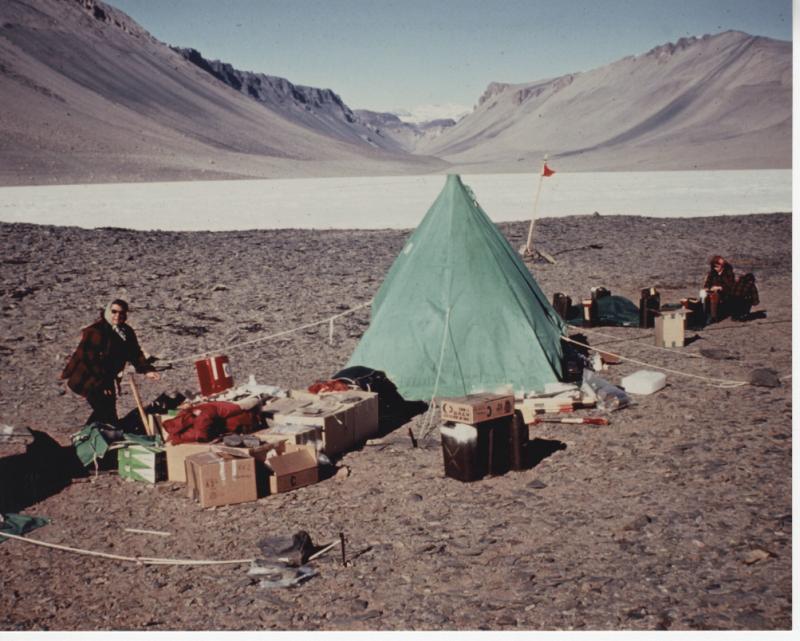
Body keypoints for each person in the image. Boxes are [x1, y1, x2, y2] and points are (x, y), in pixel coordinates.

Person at [61, 299, 160, 426]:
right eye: (114, 312)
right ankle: (87, 439)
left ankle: (91, 439)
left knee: (108, 414)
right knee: (105, 413)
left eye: (122, 313)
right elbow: (89, 359)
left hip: (106, 379)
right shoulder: (96, 331)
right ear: (108, 311)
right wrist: (102, 384)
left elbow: (135, 352)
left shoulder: (126, 331)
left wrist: (147, 370)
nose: (117, 315)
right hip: (90, 378)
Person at [702, 255, 736, 322]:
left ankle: (713, 317)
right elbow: (707, 283)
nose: (715, 268)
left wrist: (720, 287)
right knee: (704, 295)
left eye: (717, 267)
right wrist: (706, 288)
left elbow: (730, 285)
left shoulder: (728, 273)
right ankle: (704, 314)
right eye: (714, 267)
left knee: (714, 296)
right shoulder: (712, 273)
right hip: (712, 291)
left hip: (725, 292)